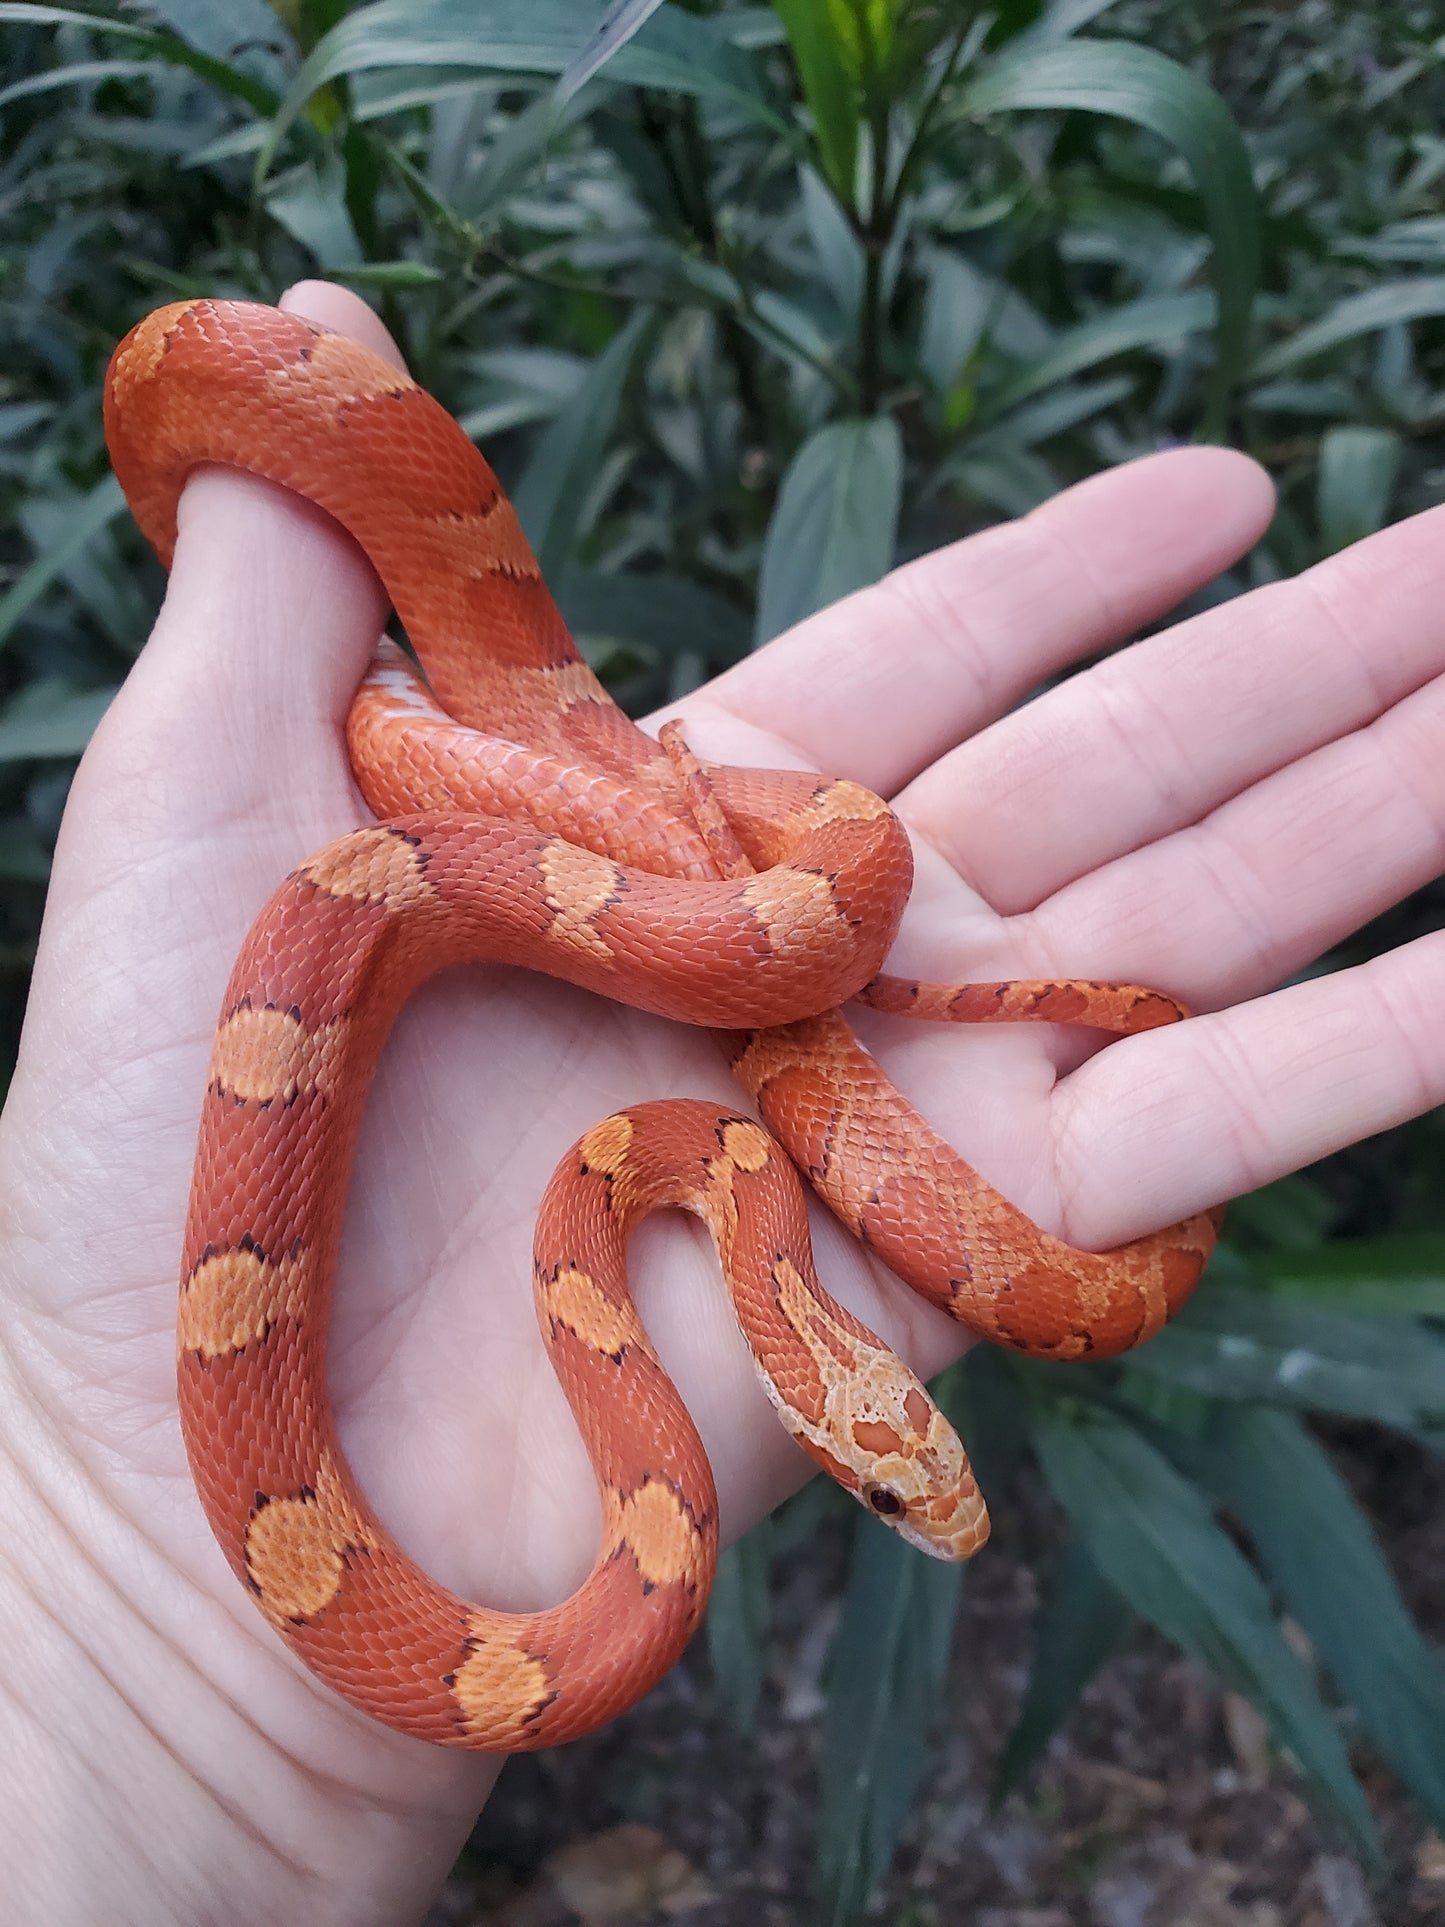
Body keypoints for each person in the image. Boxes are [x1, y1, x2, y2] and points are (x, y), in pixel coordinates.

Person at [1, 278, 1440, 1923]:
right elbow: (177, 382)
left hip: (702, 949)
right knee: (719, 873)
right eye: (903, 1480)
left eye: (899, 1482)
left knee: (724, 867)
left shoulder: (679, 1192)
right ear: (836, 1422)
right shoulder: (669, 1224)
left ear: (841, 1423)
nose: (925, 1503)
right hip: (672, 923)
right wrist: (94, 1647)